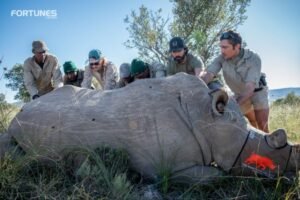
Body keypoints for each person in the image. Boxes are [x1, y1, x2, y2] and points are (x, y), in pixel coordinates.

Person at [200, 30, 269, 132]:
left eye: (225, 47)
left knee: (262, 126)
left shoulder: (253, 58)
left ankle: (270, 146)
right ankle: (256, 147)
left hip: (257, 92)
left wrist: (231, 105)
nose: (222, 51)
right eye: (221, 47)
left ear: (237, 46)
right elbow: (208, 75)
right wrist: (196, 84)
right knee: (251, 123)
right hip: (239, 93)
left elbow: (250, 88)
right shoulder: (221, 58)